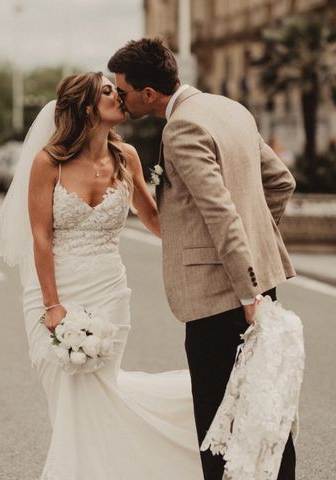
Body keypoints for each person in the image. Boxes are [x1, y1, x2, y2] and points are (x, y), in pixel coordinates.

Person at [0, 72, 204, 479]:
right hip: (54, 294)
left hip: (109, 291)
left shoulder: (126, 158)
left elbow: (154, 219)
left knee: (99, 392)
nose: (120, 96)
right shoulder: (48, 162)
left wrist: (202, 243)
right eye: (108, 91)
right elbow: (40, 238)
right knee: (67, 396)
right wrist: (52, 305)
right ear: (88, 108)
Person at [109, 38, 298, 480]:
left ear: (149, 94)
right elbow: (281, 183)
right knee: (265, 406)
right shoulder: (231, 108)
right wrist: (256, 256)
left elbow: (220, 212)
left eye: (124, 91)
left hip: (224, 297)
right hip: (254, 285)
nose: (120, 98)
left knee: (217, 420)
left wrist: (246, 286)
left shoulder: (183, 128)